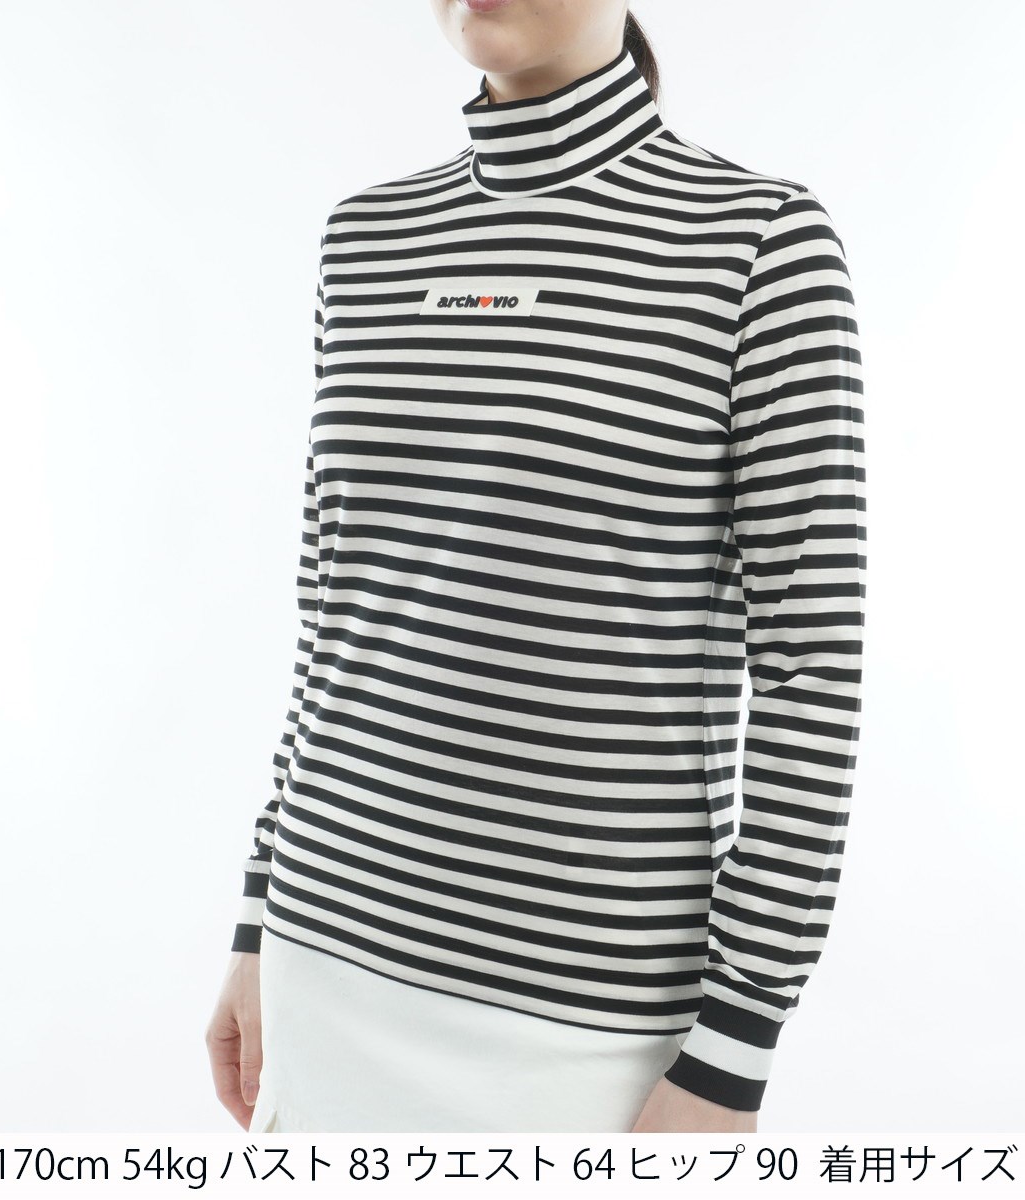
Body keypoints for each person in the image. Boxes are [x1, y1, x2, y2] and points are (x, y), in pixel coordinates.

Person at [205, 0, 865, 1135]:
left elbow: (813, 669)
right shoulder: (365, 239)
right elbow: (333, 619)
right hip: (324, 949)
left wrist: (733, 1049)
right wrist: (258, 923)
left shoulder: (757, 240)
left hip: (585, 1018)